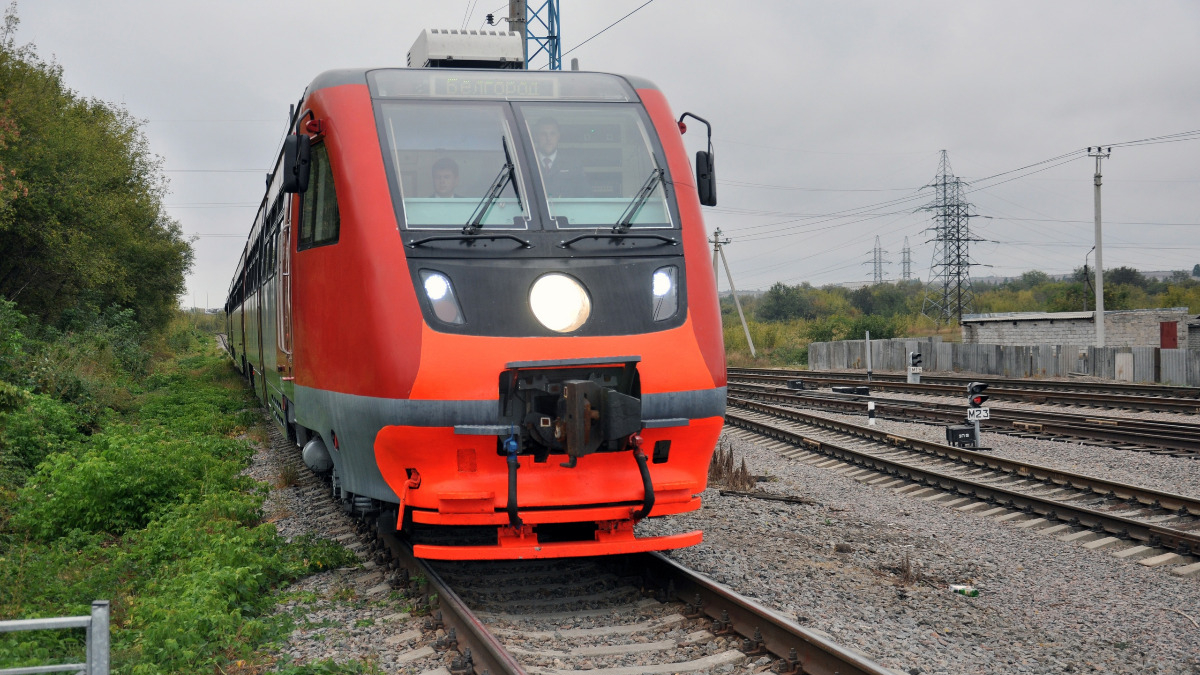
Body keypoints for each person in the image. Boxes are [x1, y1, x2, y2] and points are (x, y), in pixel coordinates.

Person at [531, 117, 586, 198]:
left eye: (552, 134)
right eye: (543, 134)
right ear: (536, 137)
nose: (548, 138)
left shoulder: (573, 165)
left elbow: (585, 197)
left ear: (558, 136)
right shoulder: (525, 163)